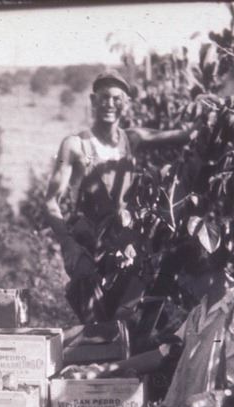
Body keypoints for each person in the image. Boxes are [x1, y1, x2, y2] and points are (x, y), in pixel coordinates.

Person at [66, 225, 234, 407]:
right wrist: (103, 370)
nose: (185, 287)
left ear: (210, 273)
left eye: (189, 280)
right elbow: (163, 353)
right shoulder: (198, 313)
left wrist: (220, 398)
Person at [44, 70, 194, 323]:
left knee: (129, 321)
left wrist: (214, 115)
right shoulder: (74, 145)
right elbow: (51, 201)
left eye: (117, 98)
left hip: (127, 247)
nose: (109, 104)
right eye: (103, 97)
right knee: (96, 326)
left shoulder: (131, 139)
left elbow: (180, 135)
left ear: (126, 104)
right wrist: (68, 245)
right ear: (92, 101)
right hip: (87, 247)